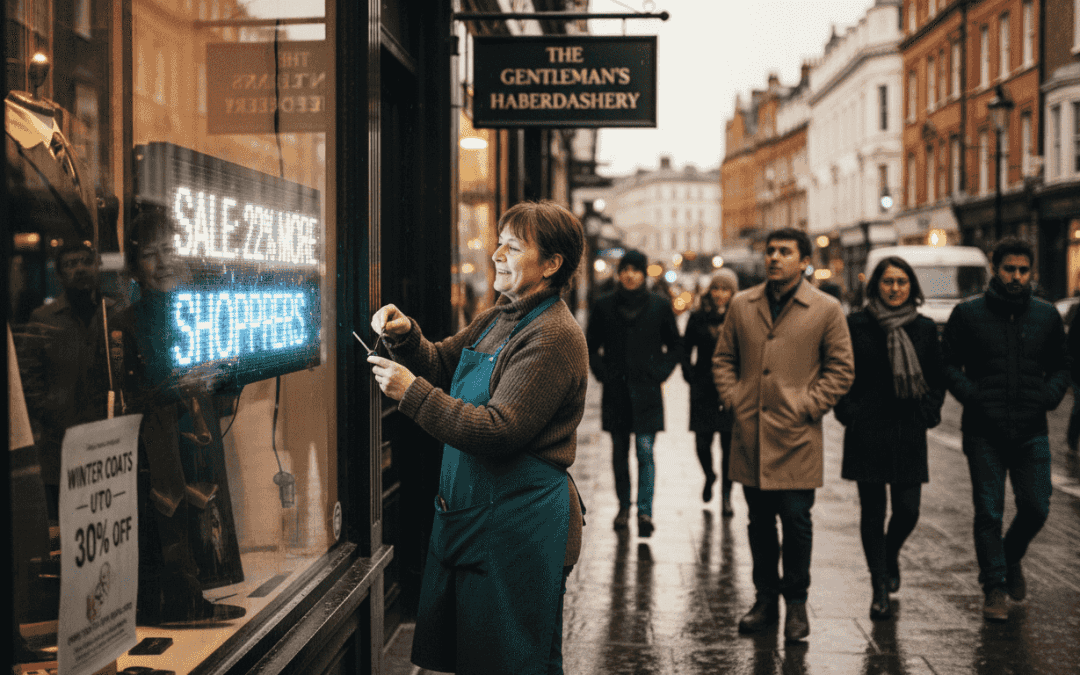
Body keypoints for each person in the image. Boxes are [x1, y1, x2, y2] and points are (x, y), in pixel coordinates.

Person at [368, 200, 588, 675]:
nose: (497, 255)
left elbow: (500, 428)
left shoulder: (553, 335)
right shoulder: (500, 317)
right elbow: (444, 363)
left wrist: (411, 393)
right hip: (476, 517)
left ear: (551, 265)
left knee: (513, 661)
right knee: (477, 657)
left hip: (518, 525)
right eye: (499, 243)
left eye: (513, 247)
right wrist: (406, 338)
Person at [86, 209, 245, 625]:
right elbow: (121, 400)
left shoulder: (200, 310)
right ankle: (176, 603)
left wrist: (225, 374)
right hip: (154, 454)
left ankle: (195, 596)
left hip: (197, 439)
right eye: (151, 255)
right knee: (167, 528)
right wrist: (180, 385)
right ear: (135, 269)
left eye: (170, 249)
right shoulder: (123, 324)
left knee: (198, 523)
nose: (164, 262)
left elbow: (228, 387)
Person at [712, 227, 854, 642]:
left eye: (785, 252)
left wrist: (808, 405)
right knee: (759, 522)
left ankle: (796, 603)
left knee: (795, 521)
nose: (775, 257)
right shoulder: (742, 304)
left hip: (797, 436)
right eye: (771, 251)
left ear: (804, 260)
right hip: (751, 434)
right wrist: (735, 398)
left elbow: (841, 369)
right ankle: (764, 599)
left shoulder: (826, 308)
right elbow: (723, 358)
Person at [941, 236, 1069, 622]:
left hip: (1032, 429)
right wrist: (974, 396)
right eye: (1009, 269)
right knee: (988, 512)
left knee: (1036, 506)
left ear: (1032, 273)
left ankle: (1010, 557)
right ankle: (994, 586)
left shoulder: (1046, 316)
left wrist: (1048, 396)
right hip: (984, 431)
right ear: (995, 270)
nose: (1016, 277)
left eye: (1023, 270)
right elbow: (948, 365)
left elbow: (1062, 366)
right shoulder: (968, 313)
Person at [834, 257, 946, 621]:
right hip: (867, 429)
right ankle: (879, 586)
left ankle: (890, 552)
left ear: (911, 286)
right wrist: (847, 410)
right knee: (872, 512)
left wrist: (929, 411)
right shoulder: (856, 325)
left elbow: (936, 376)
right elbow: (839, 370)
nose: (895, 288)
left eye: (902, 282)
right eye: (888, 282)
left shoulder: (925, 328)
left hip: (908, 428)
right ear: (875, 286)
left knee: (908, 511)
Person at [586, 249, 682, 537]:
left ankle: (644, 511)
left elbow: (675, 345)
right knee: (619, 453)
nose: (629, 275)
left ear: (643, 274)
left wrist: (660, 373)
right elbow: (591, 346)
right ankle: (623, 506)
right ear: (619, 273)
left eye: (635, 270)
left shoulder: (659, 306)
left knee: (644, 450)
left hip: (647, 392)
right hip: (616, 392)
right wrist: (603, 374)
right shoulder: (604, 306)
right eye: (625, 269)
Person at [18, 241, 115, 518]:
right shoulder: (43, 319)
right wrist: (53, 415)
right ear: (59, 275)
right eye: (71, 264)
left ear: (96, 267)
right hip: (61, 449)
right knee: (68, 529)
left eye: (85, 261)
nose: (80, 268)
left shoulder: (112, 312)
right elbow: (29, 380)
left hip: (109, 446)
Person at [682, 268, 739, 516]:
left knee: (729, 446)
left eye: (725, 289)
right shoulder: (698, 317)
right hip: (703, 387)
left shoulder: (740, 318)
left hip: (730, 388)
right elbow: (685, 350)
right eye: (716, 288)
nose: (720, 294)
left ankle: (727, 495)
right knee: (702, 443)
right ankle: (709, 474)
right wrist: (690, 376)